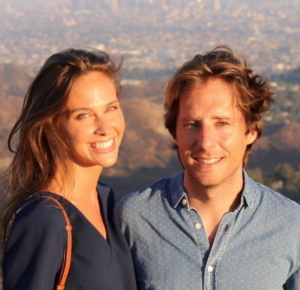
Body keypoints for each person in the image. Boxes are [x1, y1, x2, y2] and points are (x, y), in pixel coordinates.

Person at [115, 46, 300, 290]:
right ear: (174, 134)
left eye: (222, 123)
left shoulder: (290, 226)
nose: (205, 142)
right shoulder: (134, 218)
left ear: (251, 132)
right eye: (192, 124)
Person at [0, 48, 137, 290]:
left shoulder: (103, 198)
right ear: (53, 126)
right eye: (84, 115)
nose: (105, 127)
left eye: (111, 108)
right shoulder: (45, 219)